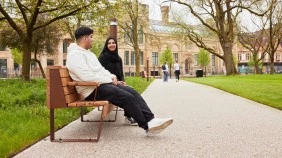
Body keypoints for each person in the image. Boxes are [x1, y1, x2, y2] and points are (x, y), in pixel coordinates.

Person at [66, 26, 173, 136]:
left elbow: (101, 70)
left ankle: (151, 120)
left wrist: (111, 76)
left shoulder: (89, 53)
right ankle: (147, 126)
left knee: (131, 91)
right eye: (91, 37)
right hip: (90, 91)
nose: (93, 39)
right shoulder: (75, 55)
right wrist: (109, 80)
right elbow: (85, 76)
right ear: (85, 38)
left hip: (99, 86)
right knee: (126, 97)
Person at [98, 37, 137, 126]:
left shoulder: (118, 58)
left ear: (116, 44)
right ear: (106, 45)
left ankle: (129, 116)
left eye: (113, 43)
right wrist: (112, 81)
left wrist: (122, 82)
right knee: (127, 94)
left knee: (130, 90)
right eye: (109, 43)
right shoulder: (102, 57)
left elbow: (121, 73)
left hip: (117, 83)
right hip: (107, 84)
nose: (112, 45)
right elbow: (100, 73)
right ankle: (129, 117)